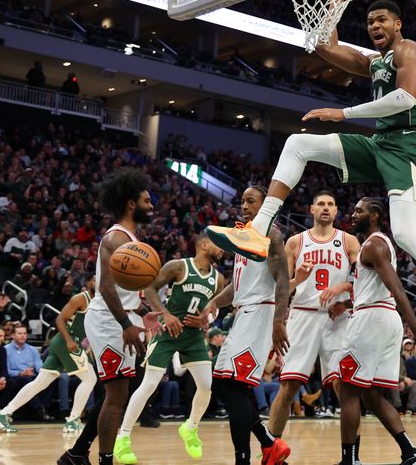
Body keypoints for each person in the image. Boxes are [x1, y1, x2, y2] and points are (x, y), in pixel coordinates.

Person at [205, 0, 416, 371]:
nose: (375, 25)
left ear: (398, 23)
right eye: (370, 21)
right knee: (298, 143)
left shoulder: (409, 49)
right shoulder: (374, 63)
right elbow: (328, 47)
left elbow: (405, 97)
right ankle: (258, 230)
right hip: (381, 143)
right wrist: (330, 7)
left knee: (405, 232)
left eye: (382, 20)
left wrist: (344, 113)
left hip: (409, 143)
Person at [330, 197, 416, 465]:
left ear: (375, 215)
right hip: (384, 318)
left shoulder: (374, 244)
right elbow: (376, 288)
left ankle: (349, 460)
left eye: (359, 211)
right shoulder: (378, 245)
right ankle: (411, 452)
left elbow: (395, 286)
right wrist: (347, 303)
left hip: (372, 320)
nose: (353, 215)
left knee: (348, 389)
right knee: (371, 394)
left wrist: (415, 324)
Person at [57, 168, 153, 465]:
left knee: (118, 391)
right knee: (117, 394)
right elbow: (106, 287)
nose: (152, 206)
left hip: (122, 318)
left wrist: (146, 312)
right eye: (147, 201)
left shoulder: (131, 237)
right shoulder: (116, 239)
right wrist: (126, 324)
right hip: (109, 321)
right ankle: (105, 460)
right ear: (131, 204)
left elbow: (130, 289)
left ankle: (75, 454)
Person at [114, 233, 225, 463]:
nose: (223, 248)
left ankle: (190, 428)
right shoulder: (178, 266)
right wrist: (165, 314)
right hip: (167, 331)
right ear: (204, 245)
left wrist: (206, 321)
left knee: (206, 386)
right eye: (218, 243)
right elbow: (151, 289)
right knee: (149, 384)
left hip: (193, 336)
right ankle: (122, 438)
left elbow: (213, 310)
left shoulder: (219, 279)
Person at [201, 187, 291, 465]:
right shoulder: (244, 237)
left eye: (251, 201)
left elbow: (283, 281)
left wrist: (279, 321)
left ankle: (246, 457)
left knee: (232, 387)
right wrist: (215, 301)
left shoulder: (271, 234)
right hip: (245, 313)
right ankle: (268, 444)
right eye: (242, 201)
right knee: (224, 385)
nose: (243, 205)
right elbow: (238, 286)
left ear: (266, 206)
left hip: (260, 315)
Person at [266, 190, 359, 441]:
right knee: (289, 386)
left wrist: (344, 294)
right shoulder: (295, 242)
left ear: (337, 211)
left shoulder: (349, 241)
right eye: (321, 204)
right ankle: (271, 449)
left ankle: (351, 455)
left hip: (336, 317)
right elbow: (284, 286)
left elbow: (366, 280)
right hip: (303, 314)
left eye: (330, 204)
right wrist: (298, 280)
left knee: (344, 386)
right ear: (312, 209)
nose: (326, 208)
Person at [0, 278, 97, 433]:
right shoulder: (81, 298)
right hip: (66, 341)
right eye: (94, 278)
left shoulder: (100, 303)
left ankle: (3, 414)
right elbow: (59, 319)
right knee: (90, 379)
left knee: (40, 383)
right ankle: (73, 420)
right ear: (88, 282)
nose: (97, 280)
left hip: (68, 343)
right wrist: (68, 340)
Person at [4, 324, 49, 420]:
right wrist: (20, 373)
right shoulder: (6, 350)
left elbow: (39, 366)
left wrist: (46, 373)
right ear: (13, 335)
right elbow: (5, 370)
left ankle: (45, 408)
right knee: (27, 380)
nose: (23, 336)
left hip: (31, 376)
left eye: (24, 333)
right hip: (15, 377)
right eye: (19, 333)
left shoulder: (32, 349)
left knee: (47, 379)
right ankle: (38, 409)